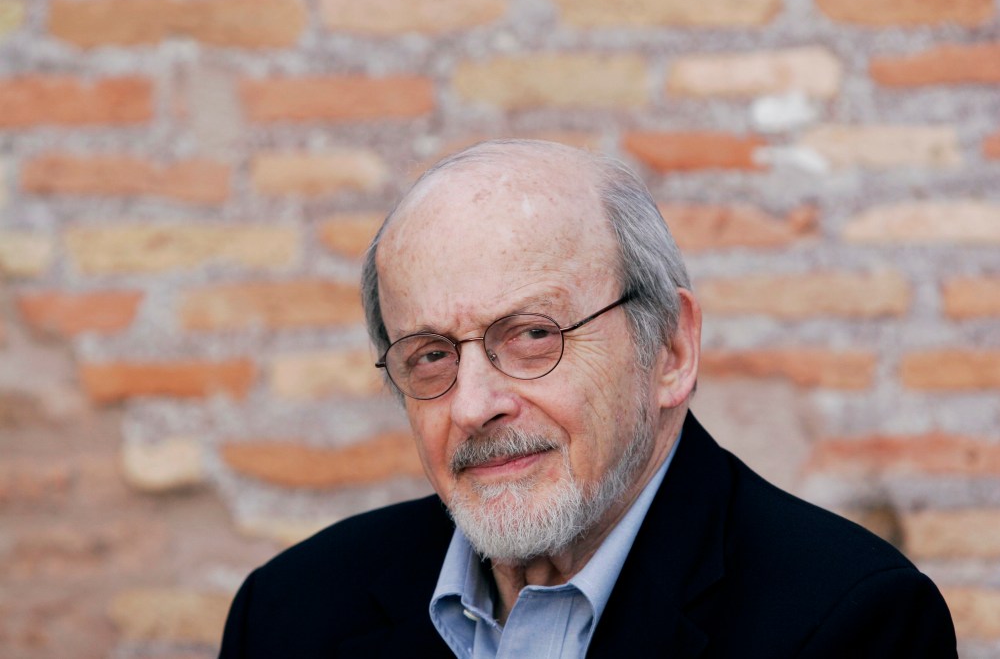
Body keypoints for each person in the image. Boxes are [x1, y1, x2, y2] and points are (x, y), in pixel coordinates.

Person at [219, 139, 956, 658]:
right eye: (433, 355)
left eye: (534, 336)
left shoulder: (850, 623)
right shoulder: (290, 613)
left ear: (670, 349)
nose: (474, 405)